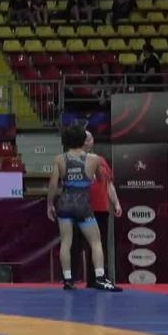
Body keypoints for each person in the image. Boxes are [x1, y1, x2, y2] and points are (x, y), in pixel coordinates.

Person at [47, 125, 121, 292]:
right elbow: (101, 179)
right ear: (83, 140)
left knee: (66, 242)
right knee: (95, 242)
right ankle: (100, 278)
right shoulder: (94, 159)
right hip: (83, 205)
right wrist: (90, 177)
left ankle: (67, 280)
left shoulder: (59, 159)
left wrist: (50, 204)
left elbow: (53, 184)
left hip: (65, 203)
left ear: (66, 141)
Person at [74, 131, 123, 286]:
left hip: (101, 209)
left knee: (99, 244)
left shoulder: (101, 161)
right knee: (77, 244)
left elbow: (109, 184)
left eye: (89, 139)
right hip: (82, 208)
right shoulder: (73, 160)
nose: (87, 142)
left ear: (92, 141)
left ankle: (98, 278)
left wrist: (116, 203)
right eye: (84, 139)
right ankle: (71, 279)